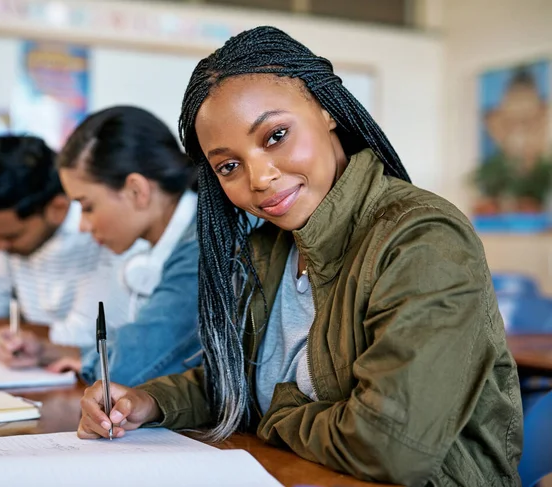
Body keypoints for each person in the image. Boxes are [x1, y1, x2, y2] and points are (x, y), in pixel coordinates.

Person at [78, 27, 522, 486]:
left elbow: (392, 445)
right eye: (228, 165)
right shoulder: (269, 248)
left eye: (275, 136)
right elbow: (241, 381)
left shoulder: (423, 238)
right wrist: (149, 402)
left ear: (327, 110)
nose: (260, 178)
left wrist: (277, 414)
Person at [0, 106, 201, 386]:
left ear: (137, 191)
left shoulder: (199, 245)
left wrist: (90, 360)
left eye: (87, 207)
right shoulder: (184, 234)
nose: (83, 226)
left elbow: (135, 366)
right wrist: (46, 351)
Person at [0, 134, 131, 347]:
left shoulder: (101, 237)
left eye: (11, 236)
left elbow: (85, 339)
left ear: (58, 208)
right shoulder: (12, 246)